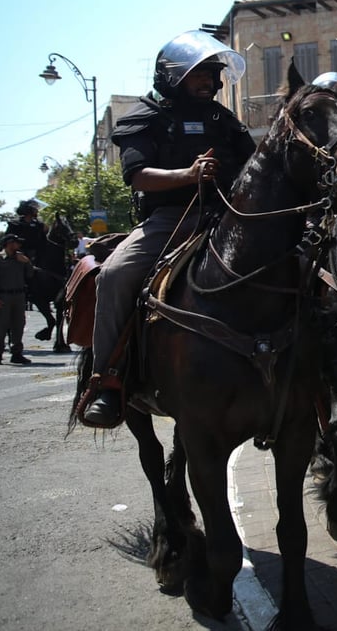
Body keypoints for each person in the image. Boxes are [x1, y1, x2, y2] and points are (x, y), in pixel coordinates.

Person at [82, 30, 258, 427]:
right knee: (113, 275)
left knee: (300, 262)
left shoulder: (225, 121)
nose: (209, 82)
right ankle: (108, 382)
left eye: (213, 75)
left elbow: (254, 168)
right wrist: (187, 174)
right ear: (173, 75)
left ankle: (327, 372)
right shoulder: (145, 118)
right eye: (200, 74)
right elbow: (137, 175)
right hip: (169, 218)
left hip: (228, 215)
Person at [0, 234, 33, 364]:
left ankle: (16, 353)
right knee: (1, 325)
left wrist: (27, 262)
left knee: (18, 325)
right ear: (9, 243)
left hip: (19, 296)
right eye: (17, 243)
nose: (19, 245)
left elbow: (30, 274)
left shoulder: (20, 258)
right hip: (3, 296)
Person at [5, 201, 48, 266]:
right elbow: (7, 240)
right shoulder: (15, 223)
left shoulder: (39, 225)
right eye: (35, 208)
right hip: (18, 254)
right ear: (28, 210)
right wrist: (15, 253)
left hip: (36, 255)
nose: (37, 210)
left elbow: (43, 241)